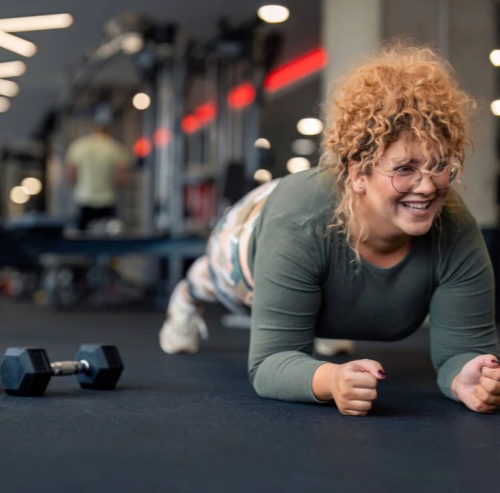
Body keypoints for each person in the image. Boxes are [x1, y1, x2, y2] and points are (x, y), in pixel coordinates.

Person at [159, 41, 500, 415]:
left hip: (324, 247)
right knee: (210, 278)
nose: (428, 187)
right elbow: (269, 363)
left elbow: (462, 351)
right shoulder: (298, 222)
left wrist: (467, 376)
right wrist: (330, 379)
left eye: (439, 166)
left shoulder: (454, 226)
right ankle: (186, 298)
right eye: (405, 169)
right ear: (358, 174)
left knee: (318, 301)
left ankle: (324, 323)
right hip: (252, 230)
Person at [65, 105, 131, 231]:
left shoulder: (78, 147)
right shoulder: (116, 148)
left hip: (84, 198)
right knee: (109, 235)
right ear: (110, 127)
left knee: (82, 236)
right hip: (107, 200)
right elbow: (121, 178)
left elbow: (71, 176)